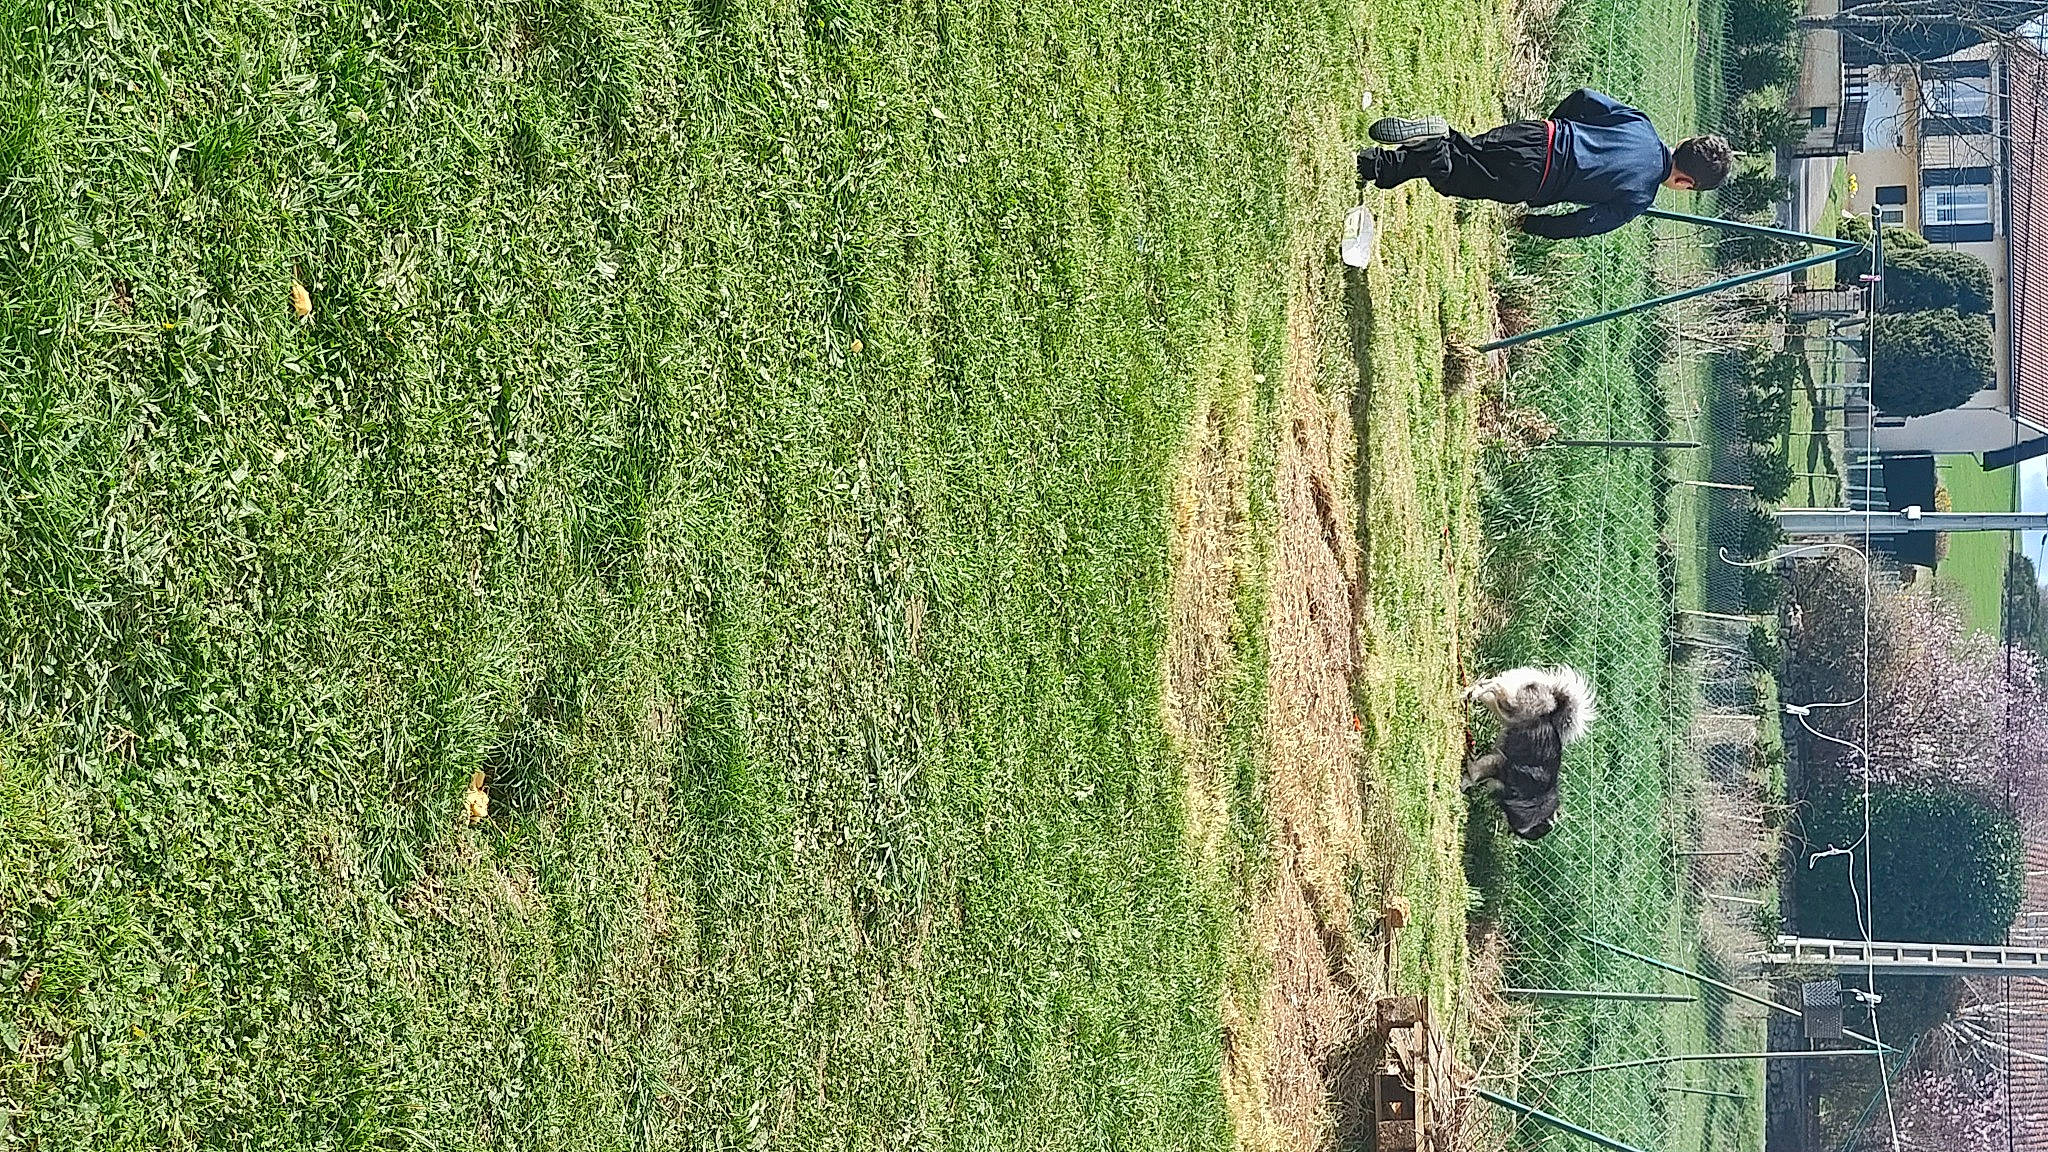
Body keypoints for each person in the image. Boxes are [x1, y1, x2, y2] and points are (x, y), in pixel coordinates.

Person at [1356, 90, 1733, 239]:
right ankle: (1433, 140)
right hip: (1538, 179)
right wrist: (1536, 225)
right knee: (1454, 176)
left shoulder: (1641, 123)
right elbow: (1586, 223)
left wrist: (1553, 126)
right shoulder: (1640, 197)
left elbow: (1584, 97)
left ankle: (1375, 166)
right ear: (1685, 184)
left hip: (1540, 135)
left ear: (1685, 142)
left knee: (1468, 153)